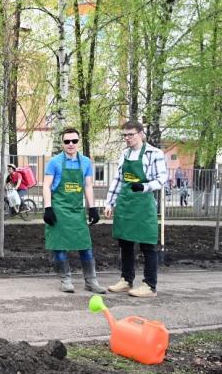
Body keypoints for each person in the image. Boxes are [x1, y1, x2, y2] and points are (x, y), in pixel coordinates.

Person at [104, 121, 168, 297]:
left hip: (143, 205)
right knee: (125, 243)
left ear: (141, 134)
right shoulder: (124, 154)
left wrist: (145, 186)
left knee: (148, 245)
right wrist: (110, 202)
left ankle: (149, 285)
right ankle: (126, 280)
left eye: (130, 134)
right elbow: (118, 179)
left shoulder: (154, 153)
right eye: (125, 135)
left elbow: (162, 178)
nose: (127, 138)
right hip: (125, 205)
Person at [42, 127, 106, 293]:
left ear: (78, 142)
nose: (70, 144)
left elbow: (88, 185)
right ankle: (66, 280)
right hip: (59, 209)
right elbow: (46, 185)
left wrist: (93, 208)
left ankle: (91, 281)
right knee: (59, 246)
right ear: (62, 143)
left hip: (77, 211)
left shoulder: (85, 162)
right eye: (67, 141)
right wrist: (48, 208)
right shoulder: (54, 162)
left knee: (86, 246)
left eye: (74, 141)